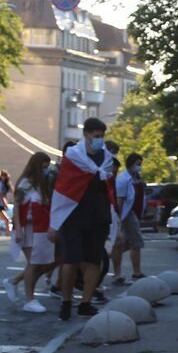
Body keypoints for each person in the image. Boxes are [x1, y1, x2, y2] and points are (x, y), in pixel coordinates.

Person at [49, 118, 116, 320]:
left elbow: (109, 184)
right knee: (71, 259)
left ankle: (85, 302)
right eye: (96, 135)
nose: (99, 139)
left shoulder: (107, 159)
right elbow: (63, 189)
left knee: (94, 261)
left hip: (98, 215)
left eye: (102, 136)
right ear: (86, 134)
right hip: (73, 215)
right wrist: (54, 223)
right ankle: (66, 301)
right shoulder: (73, 156)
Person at [5, 152, 54, 313]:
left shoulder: (42, 184)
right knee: (33, 263)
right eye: (44, 167)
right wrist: (18, 229)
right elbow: (17, 207)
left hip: (40, 228)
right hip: (28, 229)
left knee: (46, 262)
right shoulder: (25, 183)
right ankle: (30, 299)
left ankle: (14, 281)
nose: (47, 170)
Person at [112, 152, 146, 284]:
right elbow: (119, 202)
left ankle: (117, 268)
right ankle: (134, 272)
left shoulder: (135, 178)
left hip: (132, 213)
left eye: (140, 164)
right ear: (130, 164)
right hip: (126, 214)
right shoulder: (123, 180)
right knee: (135, 242)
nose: (139, 167)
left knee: (123, 245)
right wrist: (119, 221)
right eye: (137, 164)